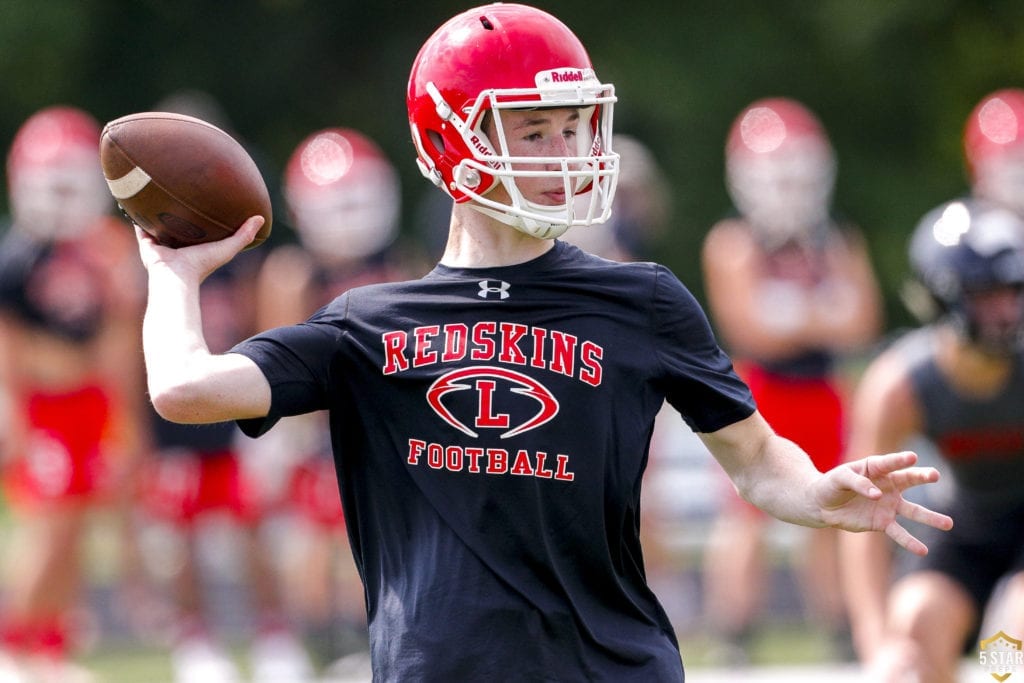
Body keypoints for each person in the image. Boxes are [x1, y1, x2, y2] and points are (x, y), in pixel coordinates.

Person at [132, 4, 952, 680]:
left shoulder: (643, 299)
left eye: (574, 127)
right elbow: (182, 386)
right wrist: (173, 273)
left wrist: (815, 493)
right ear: (452, 144)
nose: (564, 155)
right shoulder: (367, 324)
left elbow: (756, 458)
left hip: (615, 667)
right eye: (532, 133)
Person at [700, 97, 884, 661]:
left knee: (834, 512)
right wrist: (817, 314)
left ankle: (840, 630)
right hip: (760, 390)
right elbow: (748, 328)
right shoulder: (733, 242)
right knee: (747, 515)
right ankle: (734, 634)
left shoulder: (835, 240)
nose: (789, 190)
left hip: (825, 392)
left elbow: (863, 322)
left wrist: (794, 316)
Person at [840, 197, 1024, 683]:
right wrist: (877, 643)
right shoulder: (899, 387)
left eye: (1014, 291)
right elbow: (860, 514)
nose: (1007, 310)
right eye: (988, 294)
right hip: (965, 530)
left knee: (1014, 637)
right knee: (915, 628)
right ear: (944, 295)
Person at [248, 126, 411, 671]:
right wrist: (288, 439)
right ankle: (314, 640)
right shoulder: (293, 273)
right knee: (313, 537)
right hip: (318, 424)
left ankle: (367, 638)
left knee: (381, 535)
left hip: (384, 422)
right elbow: (279, 355)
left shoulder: (401, 265)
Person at [0, 106, 148, 682]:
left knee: (79, 528)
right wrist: (10, 408)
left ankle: (49, 648)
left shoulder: (104, 251)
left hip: (89, 402)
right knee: (51, 525)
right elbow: (7, 340)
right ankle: (13, 644)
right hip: (42, 405)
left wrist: (123, 419)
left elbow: (116, 337)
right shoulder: (16, 255)